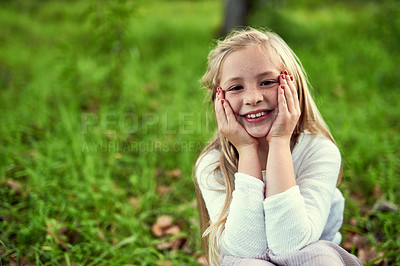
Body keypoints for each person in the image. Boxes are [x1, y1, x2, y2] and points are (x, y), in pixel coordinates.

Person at [194, 28, 362, 266]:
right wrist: (247, 150)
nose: (253, 98)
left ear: (293, 87)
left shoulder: (318, 151)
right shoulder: (213, 165)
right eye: (236, 87)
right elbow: (246, 250)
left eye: (267, 82)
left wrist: (280, 141)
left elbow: (291, 245)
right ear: (218, 100)